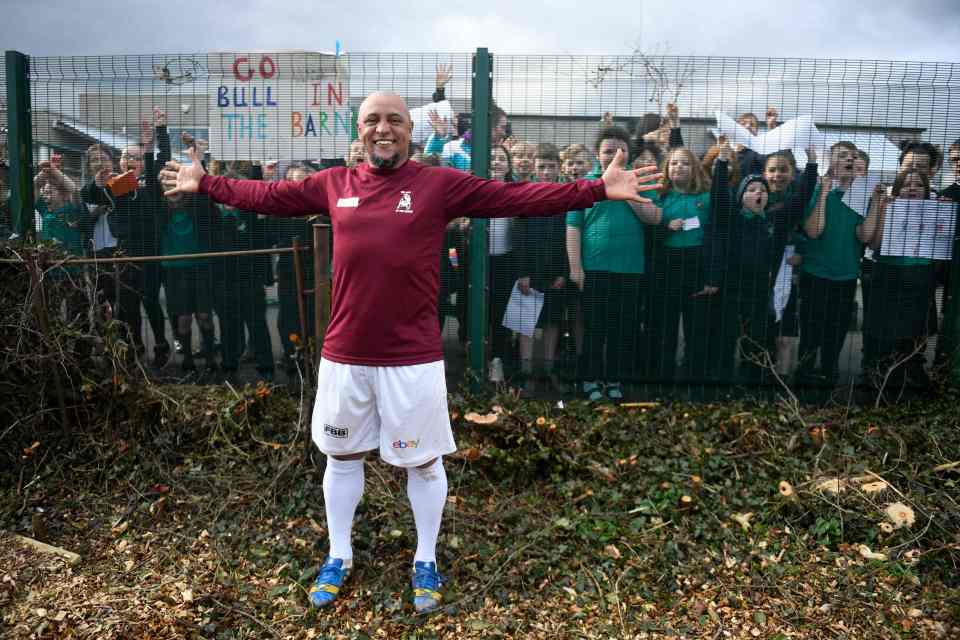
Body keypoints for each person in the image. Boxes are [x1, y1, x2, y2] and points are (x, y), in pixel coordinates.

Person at [159, 91, 659, 613]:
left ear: (409, 131)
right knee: (342, 455)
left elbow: (517, 198)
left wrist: (596, 190)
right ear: (358, 131)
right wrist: (206, 182)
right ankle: (339, 554)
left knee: (422, 464)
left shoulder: (438, 185)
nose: (383, 128)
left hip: (413, 359)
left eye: (394, 120)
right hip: (346, 354)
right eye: (372, 120)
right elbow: (268, 195)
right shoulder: (334, 184)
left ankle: (425, 558)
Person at [567, 126, 656, 400]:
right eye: (608, 151)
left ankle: (615, 381)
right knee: (595, 327)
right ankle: (591, 380)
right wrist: (575, 267)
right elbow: (573, 228)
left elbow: (654, 218)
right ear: (597, 154)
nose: (614, 156)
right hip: (594, 269)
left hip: (629, 269)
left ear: (628, 154)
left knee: (622, 328)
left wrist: (628, 192)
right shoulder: (584, 185)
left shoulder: (638, 182)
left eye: (621, 150)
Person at [81, 110, 170, 365]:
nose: (128, 160)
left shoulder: (149, 182)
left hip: (151, 250)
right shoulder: (120, 184)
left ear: (143, 162)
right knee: (128, 305)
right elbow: (88, 196)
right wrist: (97, 183)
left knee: (151, 301)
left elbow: (162, 161)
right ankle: (135, 348)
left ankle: (161, 345)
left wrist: (158, 136)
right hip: (125, 251)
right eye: (124, 156)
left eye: (135, 157)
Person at [797, 142, 880, 386]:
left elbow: (865, 237)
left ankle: (829, 375)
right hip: (815, 273)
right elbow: (814, 231)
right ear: (830, 162)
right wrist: (823, 193)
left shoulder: (862, 196)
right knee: (811, 331)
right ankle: (803, 375)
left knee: (836, 331)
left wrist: (875, 202)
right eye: (841, 155)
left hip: (845, 276)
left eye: (853, 156)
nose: (848, 160)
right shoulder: (816, 191)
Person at [862, 170, 936, 388]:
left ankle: (908, 378)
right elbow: (874, 245)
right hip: (888, 275)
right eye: (906, 184)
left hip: (920, 278)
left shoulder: (936, 210)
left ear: (926, 191)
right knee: (884, 333)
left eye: (918, 185)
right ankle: (881, 380)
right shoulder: (887, 206)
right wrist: (884, 211)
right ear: (897, 189)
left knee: (913, 334)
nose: (912, 188)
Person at [513, 143, 570, 394]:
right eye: (542, 167)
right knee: (525, 323)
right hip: (530, 269)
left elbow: (567, 237)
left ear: (558, 169)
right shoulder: (526, 194)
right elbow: (519, 235)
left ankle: (549, 369)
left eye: (551, 167)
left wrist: (563, 272)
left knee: (551, 323)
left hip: (554, 269)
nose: (546, 172)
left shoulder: (565, 196)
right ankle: (526, 373)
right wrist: (523, 272)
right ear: (535, 170)